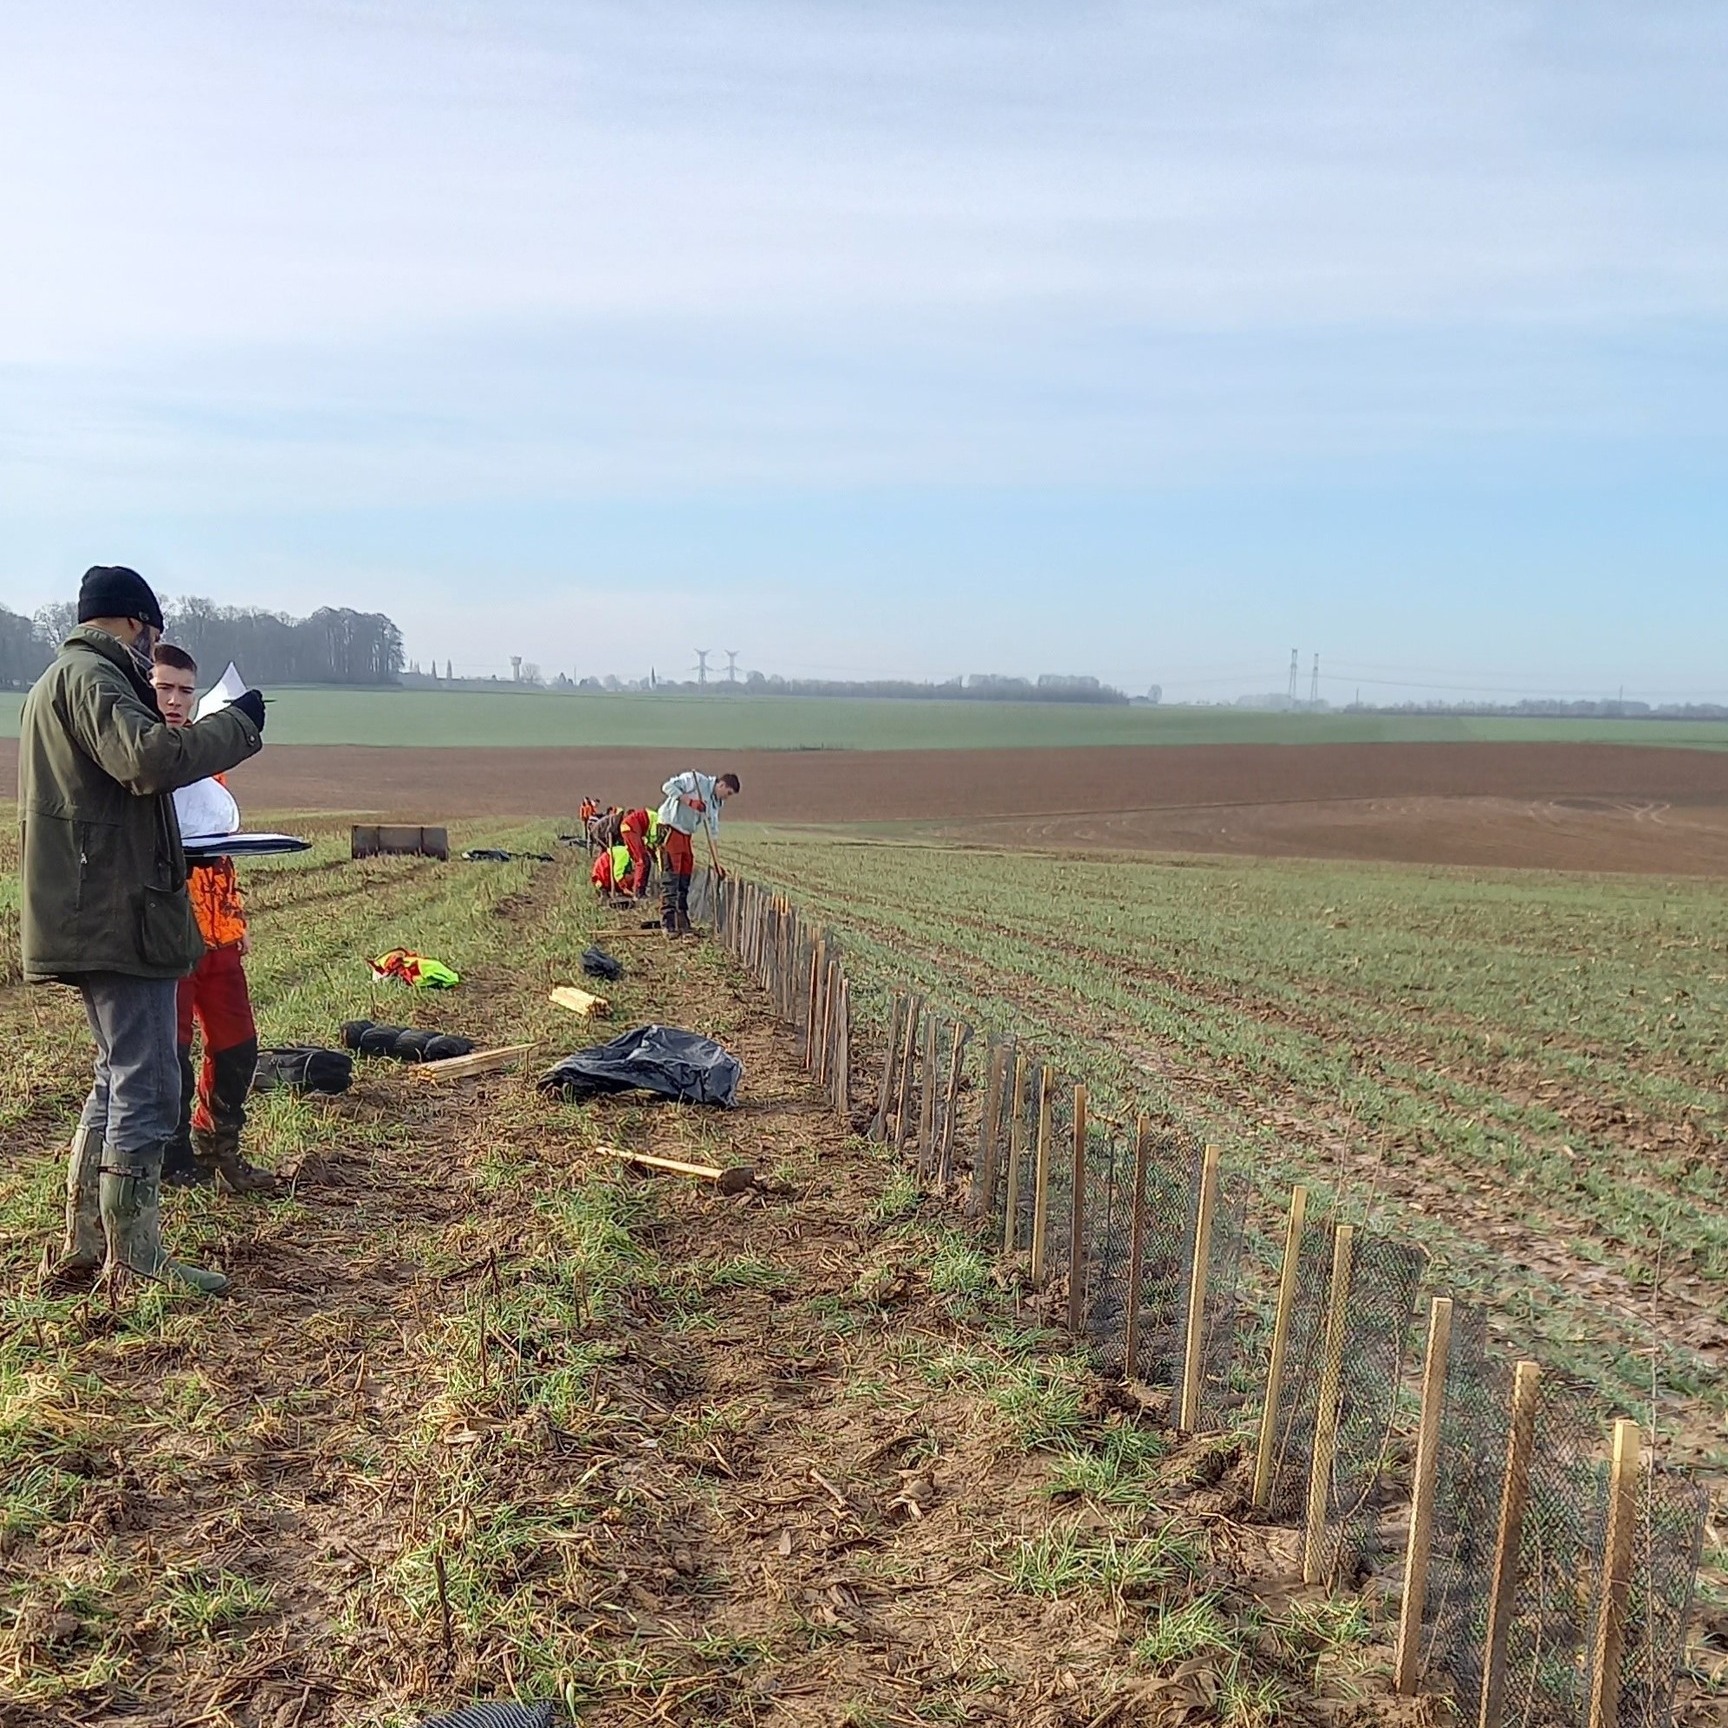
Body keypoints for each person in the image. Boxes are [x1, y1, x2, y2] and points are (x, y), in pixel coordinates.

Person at [18, 567, 266, 1295]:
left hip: (93, 910)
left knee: (113, 1077)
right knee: (150, 1081)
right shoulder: (92, 679)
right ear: (133, 623)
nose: (150, 653)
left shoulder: (58, 682)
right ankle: (137, 1260)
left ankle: (86, 1243)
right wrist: (238, 727)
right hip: (115, 915)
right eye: (149, 636)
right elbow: (147, 760)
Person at [151, 644, 280, 1196]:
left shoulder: (207, 767)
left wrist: (234, 917)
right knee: (170, 1056)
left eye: (185, 690)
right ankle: (173, 1163)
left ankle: (220, 1149)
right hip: (167, 935)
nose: (176, 701)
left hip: (219, 934)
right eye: (164, 689)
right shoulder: (141, 760)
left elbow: (218, 848)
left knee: (237, 1046)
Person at [656, 771, 740, 935]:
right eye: (728, 793)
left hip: (686, 833)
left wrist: (717, 863)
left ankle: (681, 919)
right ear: (721, 785)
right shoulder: (695, 780)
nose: (726, 798)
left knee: (685, 874)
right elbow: (667, 787)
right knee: (672, 875)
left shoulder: (714, 805)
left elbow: (713, 833)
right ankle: (668, 922)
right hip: (670, 827)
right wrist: (689, 801)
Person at [619, 805, 654, 900]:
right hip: (632, 828)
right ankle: (638, 892)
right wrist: (655, 854)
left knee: (643, 860)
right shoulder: (657, 820)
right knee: (642, 861)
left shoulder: (651, 817)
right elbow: (654, 838)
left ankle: (640, 889)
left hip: (628, 828)